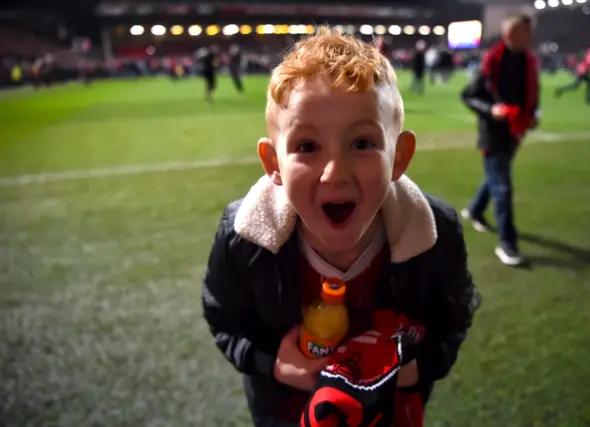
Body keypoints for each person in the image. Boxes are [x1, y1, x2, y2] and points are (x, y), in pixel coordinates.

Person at [202, 27, 480, 427]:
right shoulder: (243, 237)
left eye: (363, 144)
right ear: (273, 164)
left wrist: (409, 372)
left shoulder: (435, 234)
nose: (335, 174)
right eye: (307, 147)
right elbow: (225, 319)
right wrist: (275, 363)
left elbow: (453, 319)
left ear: (399, 157)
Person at [460, 14, 540, 266]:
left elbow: (532, 94)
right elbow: (468, 96)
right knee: (502, 189)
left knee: (495, 178)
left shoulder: (529, 62)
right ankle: (508, 244)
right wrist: (491, 110)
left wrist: (533, 114)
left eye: (530, 32)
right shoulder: (491, 62)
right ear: (510, 35)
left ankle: (474, 210)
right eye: (524, 32)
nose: (529, 37)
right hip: (492, 134)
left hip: (515, 131)